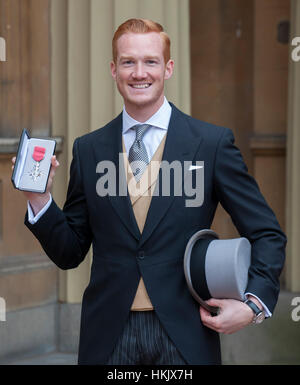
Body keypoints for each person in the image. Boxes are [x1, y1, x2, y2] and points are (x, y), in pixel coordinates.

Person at [12, 18, 286, 365]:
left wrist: (252, 306)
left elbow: (267, 233)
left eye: (150, 61)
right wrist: (39, 200)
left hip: (186, 333)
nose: (139, 72)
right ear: (114, 69)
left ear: (168, 68)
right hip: (108, 336)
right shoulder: (90, 149)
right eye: (128, 62)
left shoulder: (211, 144)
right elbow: (70, 252)